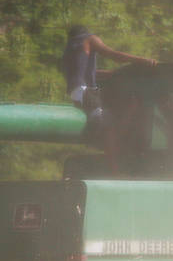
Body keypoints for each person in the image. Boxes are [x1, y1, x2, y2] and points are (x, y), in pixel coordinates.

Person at [61, 25, 156, 169]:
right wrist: (142, 60)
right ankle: (114, 169)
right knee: (110, 126)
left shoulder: (71, 48)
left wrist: (112, 74)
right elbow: (113, 55)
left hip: (76, 93)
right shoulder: (89, 39)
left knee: (108, 122)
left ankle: (113, 160)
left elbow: (83, 72)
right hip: (85, 91)